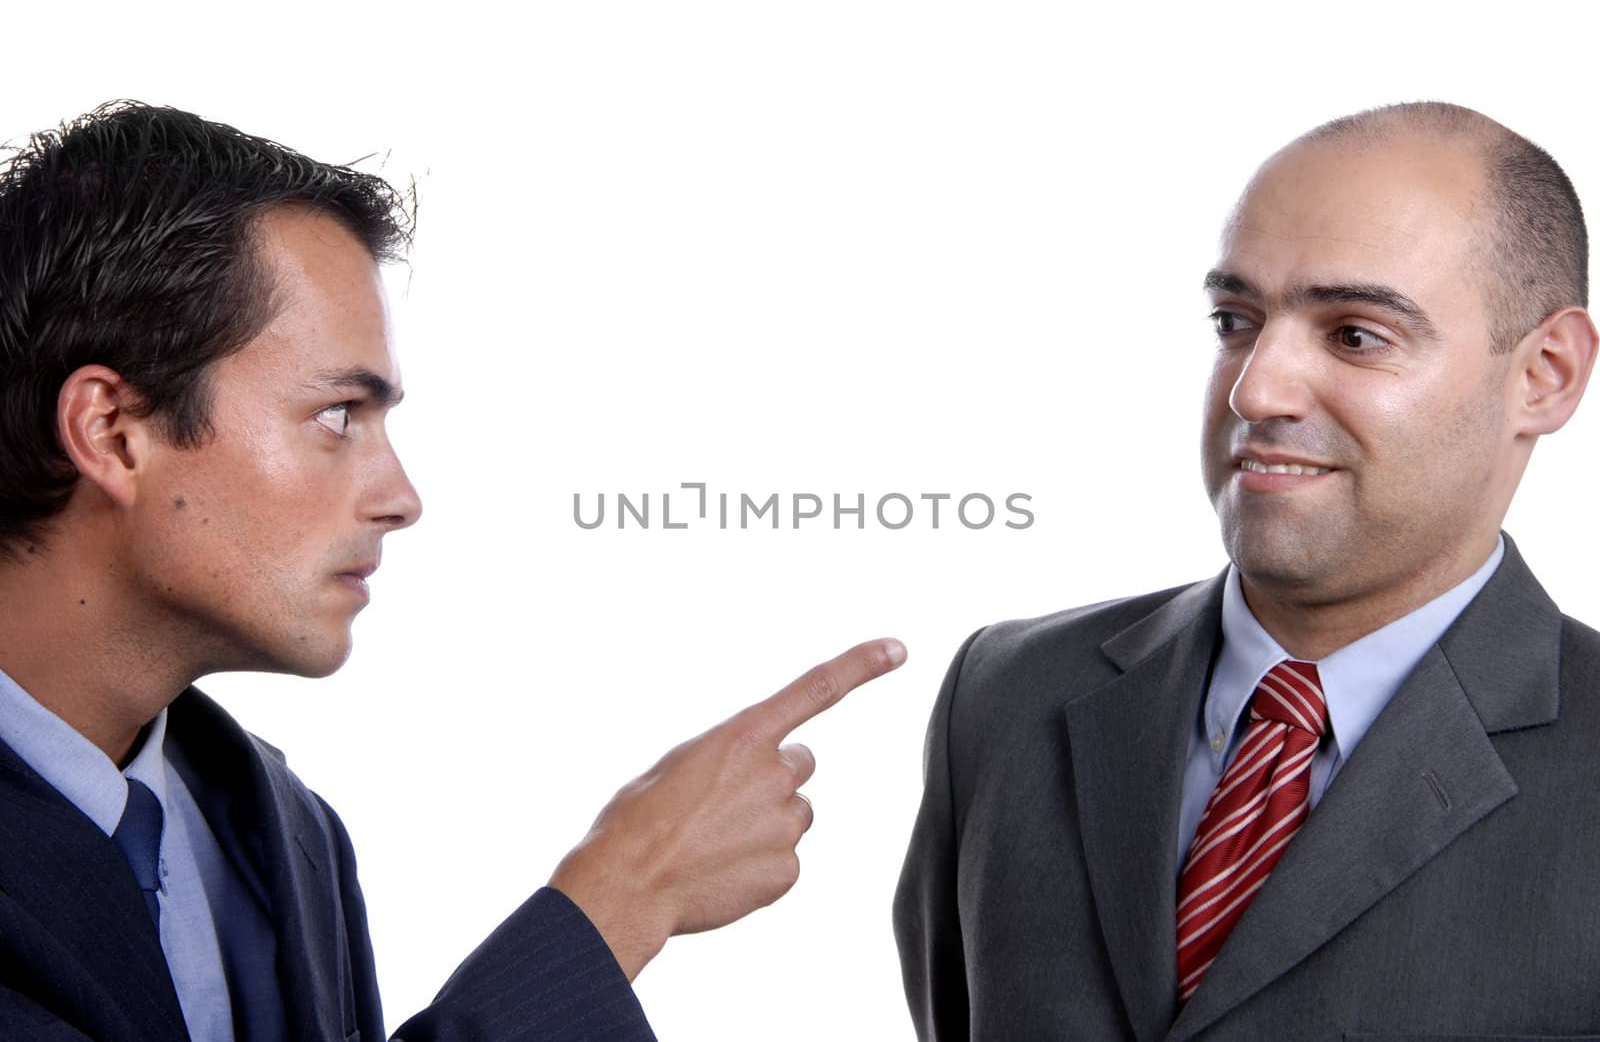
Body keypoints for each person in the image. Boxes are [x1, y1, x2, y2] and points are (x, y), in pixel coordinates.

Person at [0, 101, 905, 1041]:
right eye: (339, 415)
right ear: (112, 430)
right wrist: (622, 899)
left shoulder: (279, 830)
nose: (400, 496)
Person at [894, 101, 1600, 1039]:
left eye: (1355, 334)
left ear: (1544, 374)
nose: (1254, 389)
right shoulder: (1006, 695)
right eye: (1236, 319)